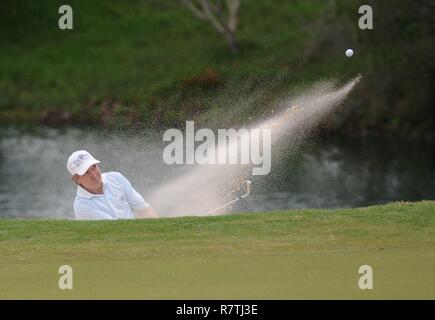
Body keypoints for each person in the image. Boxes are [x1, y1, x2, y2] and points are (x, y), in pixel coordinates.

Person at [67, 150, 157, 220]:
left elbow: (143, 208)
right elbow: (116, 229)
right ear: (76, 179)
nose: (94, 175)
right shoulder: (82, 206)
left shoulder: (116, 178)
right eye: (86, 172)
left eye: (94, 167)